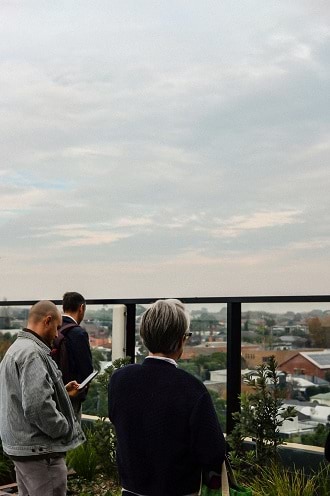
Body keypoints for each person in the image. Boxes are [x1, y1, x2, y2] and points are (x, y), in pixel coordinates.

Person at [108, 299, 226, 496]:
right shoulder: (191, 388)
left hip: (131, 489)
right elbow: (212, 452)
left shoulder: (120, 379)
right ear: (181, 340)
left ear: (144, 336)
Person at [0, 300, 85, 496]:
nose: (57, 335)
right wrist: (63, 428)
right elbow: (37, 406)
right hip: (41, 453)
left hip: (22, 449)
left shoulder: (16, 349)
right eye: (56, 328)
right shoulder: (33, 354)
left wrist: (61, 391)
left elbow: (22, 397)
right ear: (47, 321)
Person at [59, 291, 93, 420]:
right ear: (81, 308)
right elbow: (86, 370)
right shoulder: (78, 333)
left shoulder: (54, 328)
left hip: (54, 392)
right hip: (71, 393)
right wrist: (80, 394)